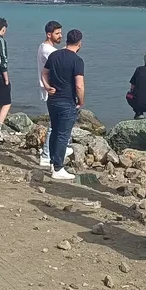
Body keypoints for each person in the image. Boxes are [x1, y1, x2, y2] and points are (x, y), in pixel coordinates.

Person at [42, 28, 85, 182]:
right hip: (67, 100)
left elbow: (44, 73)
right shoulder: (77, 61)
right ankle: (58, 168)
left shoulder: (54, 55)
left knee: (55, 130)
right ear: (79, 43)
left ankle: (53, 163)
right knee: (63, 134)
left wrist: (47, 87)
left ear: (67, 40)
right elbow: (79, 85)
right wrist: (81, 101)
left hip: (52, 99)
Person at [36, 21, 63, 168]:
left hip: (50, 89)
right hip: (52, 90)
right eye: (57, 33)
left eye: (60, 33)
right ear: (49, 34)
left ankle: (55, 151)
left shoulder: (45, 47)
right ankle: (47, 155)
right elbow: (59, 64)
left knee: (57, 124)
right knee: (55, 125)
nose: (60, 36)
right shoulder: (48, 51)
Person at [127, 52, 146, 119]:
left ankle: (138, 113)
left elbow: (132, 87)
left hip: (140, 104)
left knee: (128, 95)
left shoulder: (139, 70)